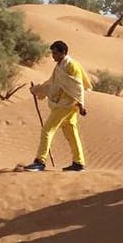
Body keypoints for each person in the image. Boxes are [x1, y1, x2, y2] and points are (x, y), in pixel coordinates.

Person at [24, 39, 89, 172]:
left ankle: (40, 161)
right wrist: (38, 89)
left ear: (63, 52)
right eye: (52, 53)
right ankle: (78, 162)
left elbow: (77, 86)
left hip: (67, 104)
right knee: (71, 132)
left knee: (47, 130)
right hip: (65, 104)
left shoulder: (71, 65)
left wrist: (81, 104)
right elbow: (53, 83)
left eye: (55, 53)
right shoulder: (60, 66)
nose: (53, 56)